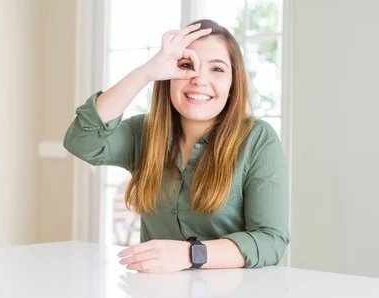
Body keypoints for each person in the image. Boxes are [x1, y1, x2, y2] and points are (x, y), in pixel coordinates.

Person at [63, 19, 289, 273]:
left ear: (232, 84)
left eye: (217, 69)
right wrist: (146, 72)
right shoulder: (144, 133)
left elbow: (271, 240)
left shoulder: (257, 139)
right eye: (186, 65)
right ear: (168, 76)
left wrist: (191, 254)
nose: (199, 80)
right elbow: (82, 141)